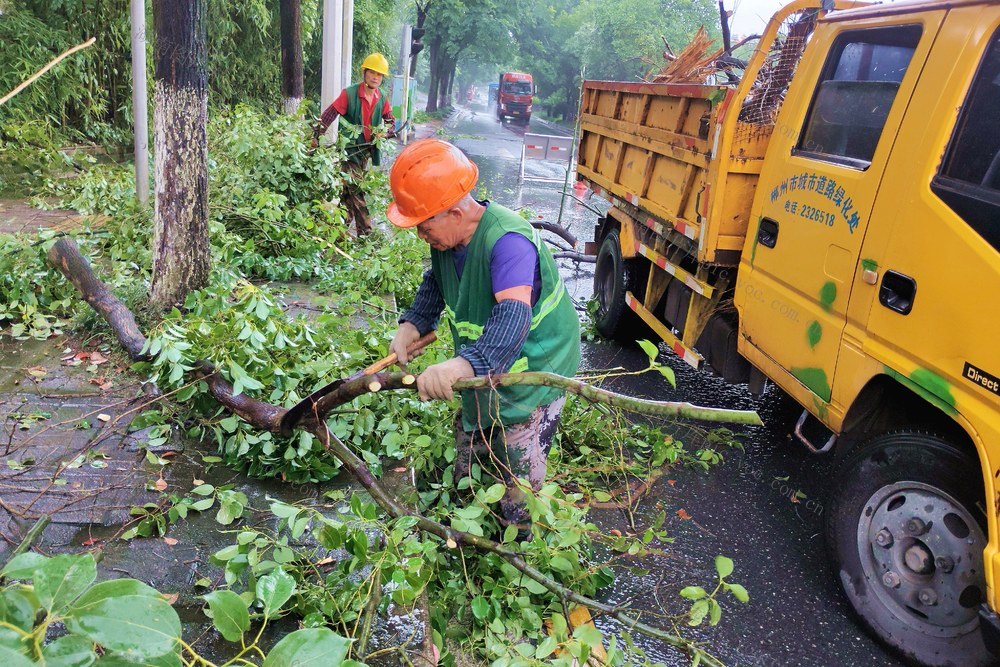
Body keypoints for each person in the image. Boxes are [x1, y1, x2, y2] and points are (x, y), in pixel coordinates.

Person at [386, 138, 581, 536]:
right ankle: (468, 515)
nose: (421, 235)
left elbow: (512, 318)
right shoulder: (449, 237)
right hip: (490, 365)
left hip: (536, 369)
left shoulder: (509, 244)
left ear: (455, 212)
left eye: (424, 226)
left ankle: (515, 550)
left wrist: (462, 364)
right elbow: (436, 282)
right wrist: (413, 324)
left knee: (516, 477)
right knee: (472, 453)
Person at [311, 52, 396, 236]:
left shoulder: (381, 97)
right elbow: (329, 114)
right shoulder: (349, 94)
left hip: (365, 151)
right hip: (349, 150)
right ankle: (366, 233)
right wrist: (316, 136)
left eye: (379, 74)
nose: (375, 77)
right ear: (364, 73)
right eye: (372, 72)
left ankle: (338, 231)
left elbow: (390, 120)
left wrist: (386, 133)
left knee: (348, 194)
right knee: (357, 189)